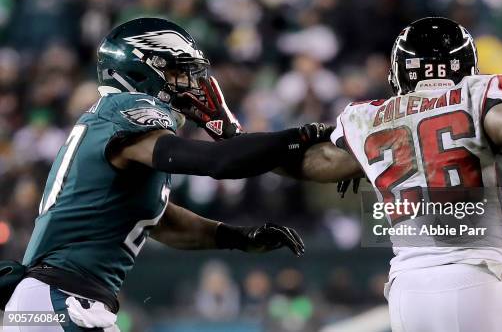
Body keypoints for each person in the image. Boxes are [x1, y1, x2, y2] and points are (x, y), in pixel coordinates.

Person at [0, 17, 331, 331]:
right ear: (143, 69)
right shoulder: (123, 110)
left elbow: (160, 220)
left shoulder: (113, 121)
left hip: (60, 298)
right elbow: (216, 162)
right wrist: (297, 136)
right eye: (176, 72)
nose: (187, 84)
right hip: (62, 297)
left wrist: (238, 238)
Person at [287, 17, 502, 331]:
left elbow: (311, 162)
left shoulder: (369, 117)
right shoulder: (479, 96)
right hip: (474, 274)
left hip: (405, 290)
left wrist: (248, 146)